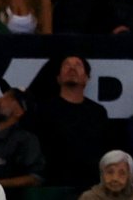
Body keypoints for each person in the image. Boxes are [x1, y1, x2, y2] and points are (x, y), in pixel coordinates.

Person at [31, 55, 109, 188]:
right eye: (67, 65)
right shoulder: (43, 110)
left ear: (86, 78)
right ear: (58, 78)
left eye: (78, 65)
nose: (72, 68)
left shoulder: (98, 112)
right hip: (54, 185)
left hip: (90, 185)